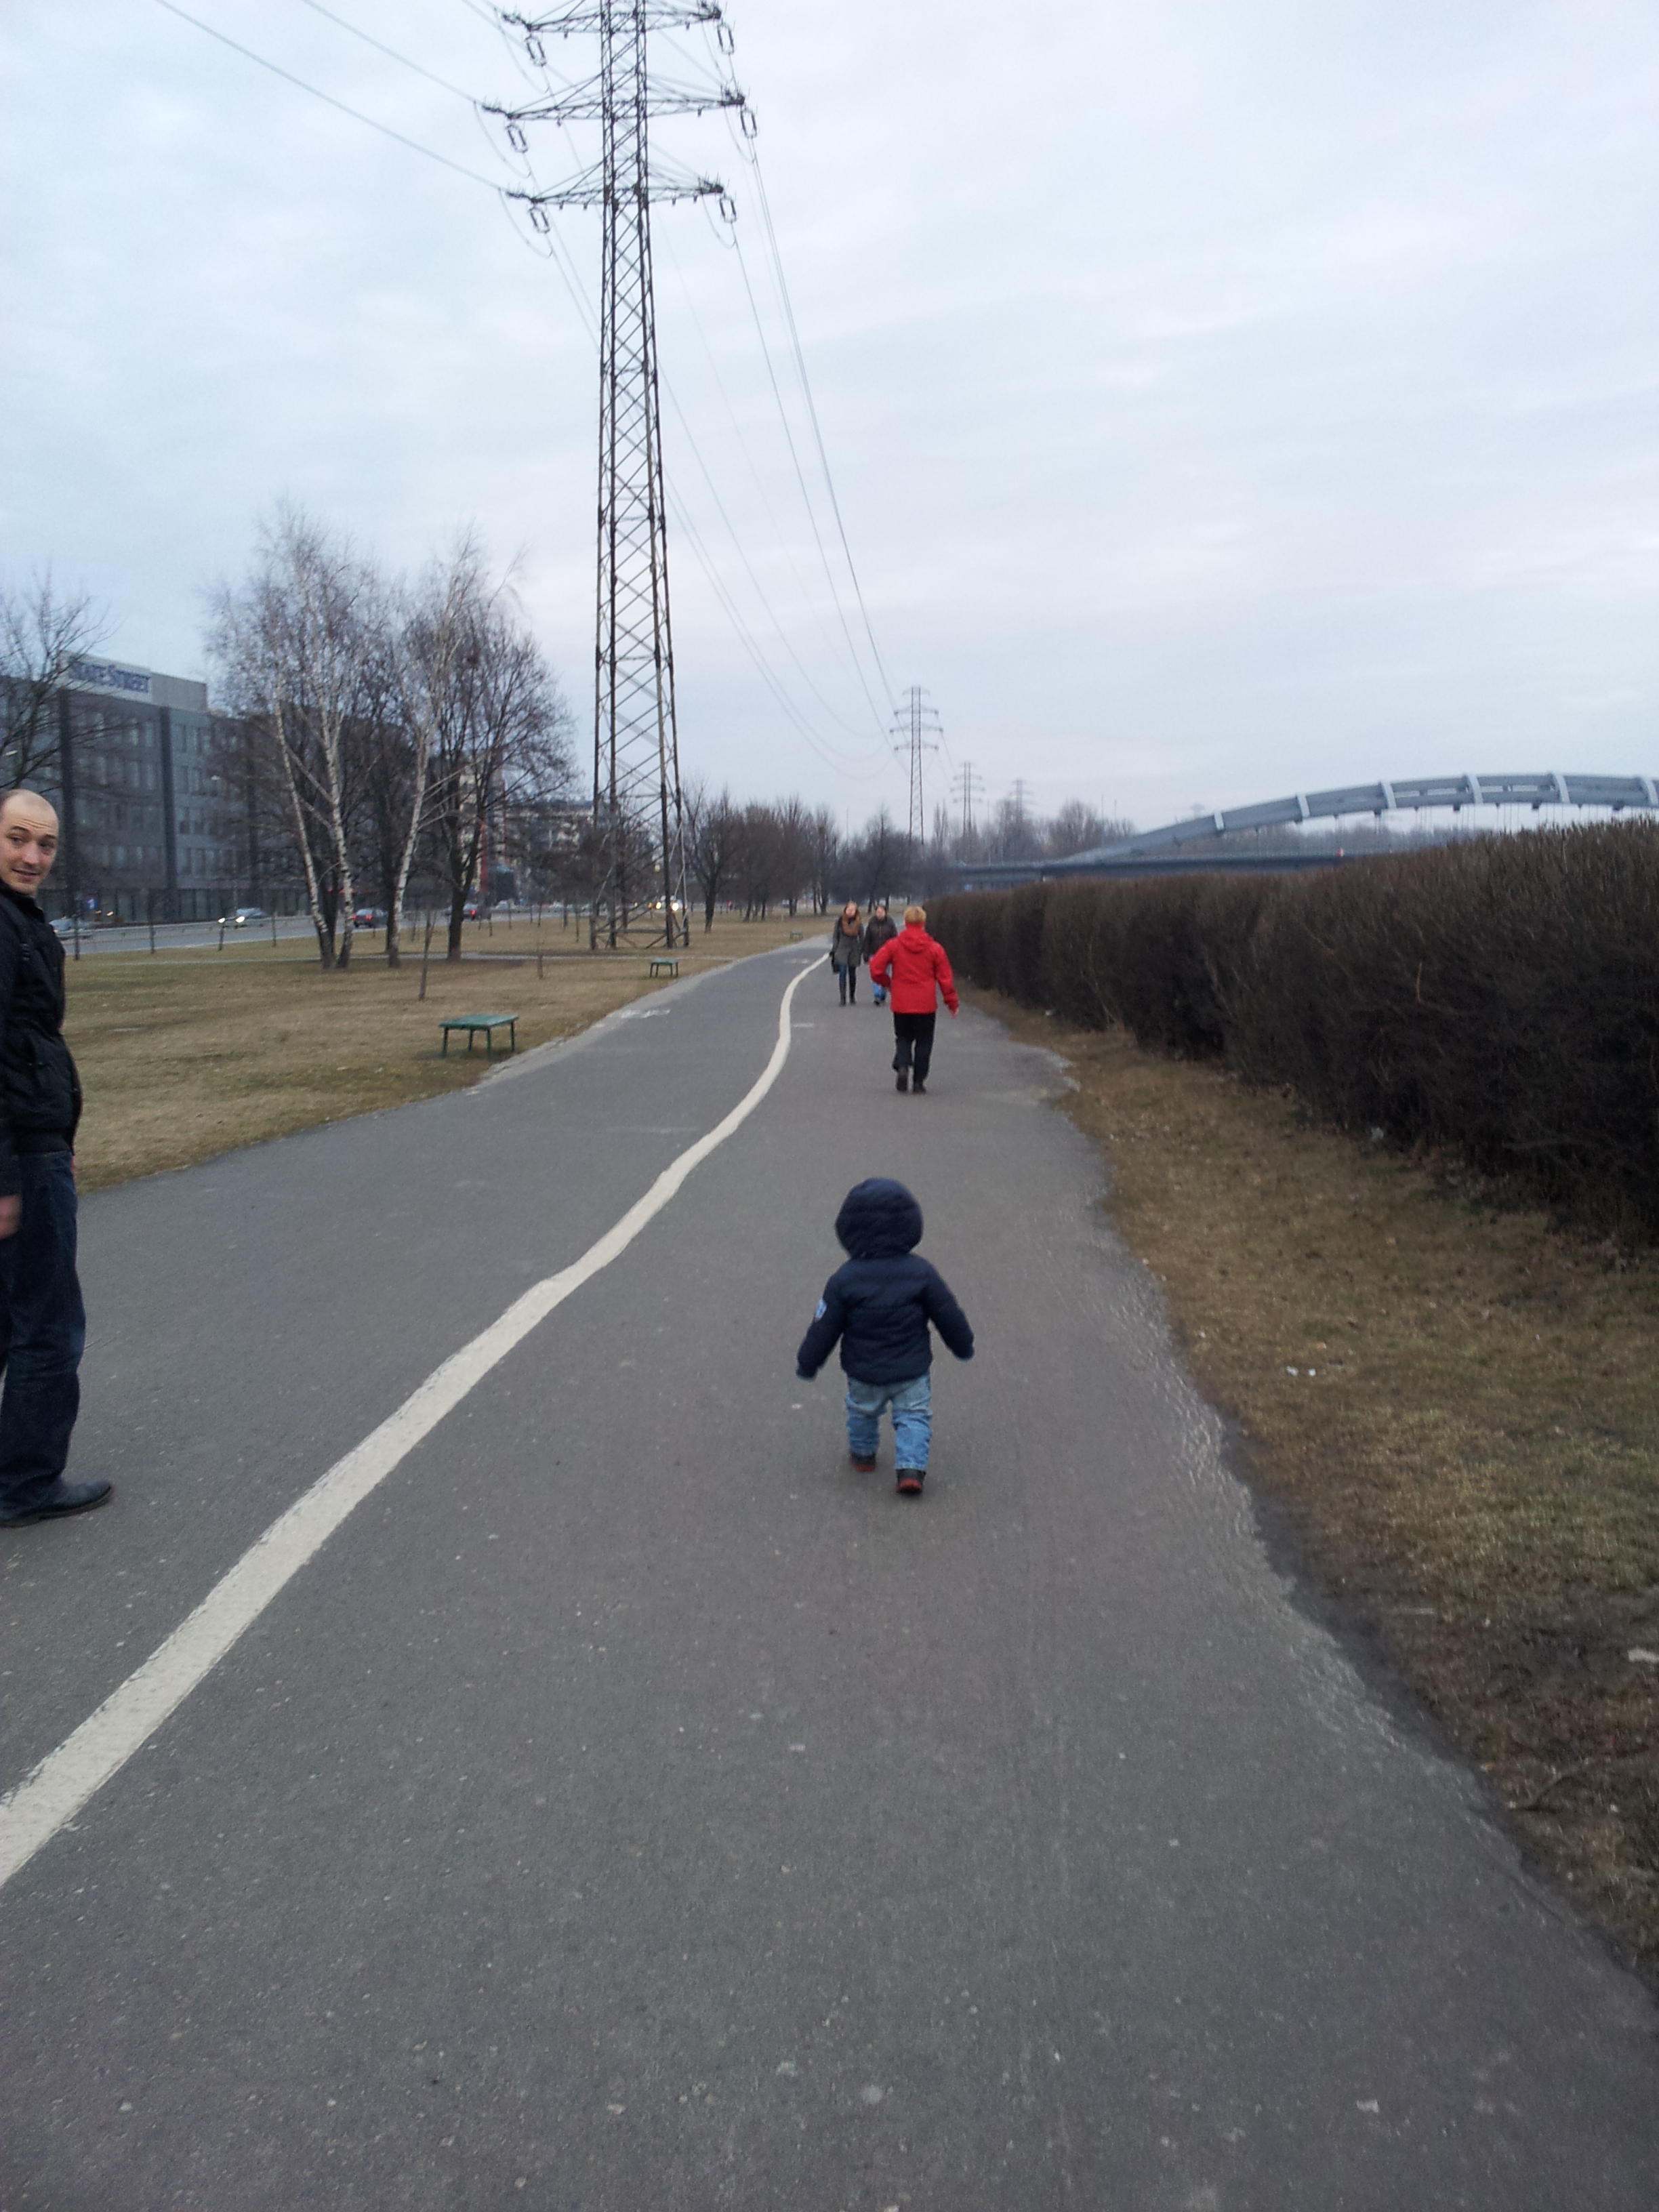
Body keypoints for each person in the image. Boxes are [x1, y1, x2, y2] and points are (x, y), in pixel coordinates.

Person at [0, 790, 106, 1528]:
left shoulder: (21, 922)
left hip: (36, 1151)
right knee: (46, 1324)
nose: (32, 856)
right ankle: (27, 1485)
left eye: (45, 845)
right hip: (19, 1162)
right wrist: (9, 1177)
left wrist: (57, 1147)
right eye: (16, 839)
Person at [795, 1177, 974, 1498]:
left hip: (864, 1370)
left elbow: (824, 1326)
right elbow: (947, 1312)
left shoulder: (844, 1279)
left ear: (848, 1229)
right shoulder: (921, 1272)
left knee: (861, 1411)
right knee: (914, 1416)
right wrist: (963, 1345)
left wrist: (808, 1363)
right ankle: (911, 1469)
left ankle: (863, 1455)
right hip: (912, 1370)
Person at [865, 903, 958, 1094]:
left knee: (903, 1037)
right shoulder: (935, 948)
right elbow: (945, 978)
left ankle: (902, 1066)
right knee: (924, 1042)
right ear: (923, 923)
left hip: (902, 1002)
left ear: (906, 922)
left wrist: (888, 983)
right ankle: (918, 1082)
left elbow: (875, 968)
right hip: (925, 1004)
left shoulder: (894, 946)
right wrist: (951, 1002)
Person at [862, 901, 897, 1006]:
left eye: (881, 912)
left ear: (885, 912)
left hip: (887, 954)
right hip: (874, 953)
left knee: (884, 974)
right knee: (875, 974)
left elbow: (895, 939)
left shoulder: (890, 923)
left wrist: (894, 953)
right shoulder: (872, 923)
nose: (879, 913)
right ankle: (877, 995)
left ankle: (883, 994)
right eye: (878, 912)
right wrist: (865, 953)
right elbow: (867, 939)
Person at [829, 901, 863, 1006]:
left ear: (856, 911)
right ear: (845, 910)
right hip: (842, 949)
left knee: (852, 973)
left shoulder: (859, 922)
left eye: (852, 910)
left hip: (854, 949)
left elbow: (862, 937)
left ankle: (852, 996)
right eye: (849, 909)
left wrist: (860, 950)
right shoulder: (840, 921)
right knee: (842, 972)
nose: (850, 912)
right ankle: (842, 998)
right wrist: (835, 948)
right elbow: (835, 936)